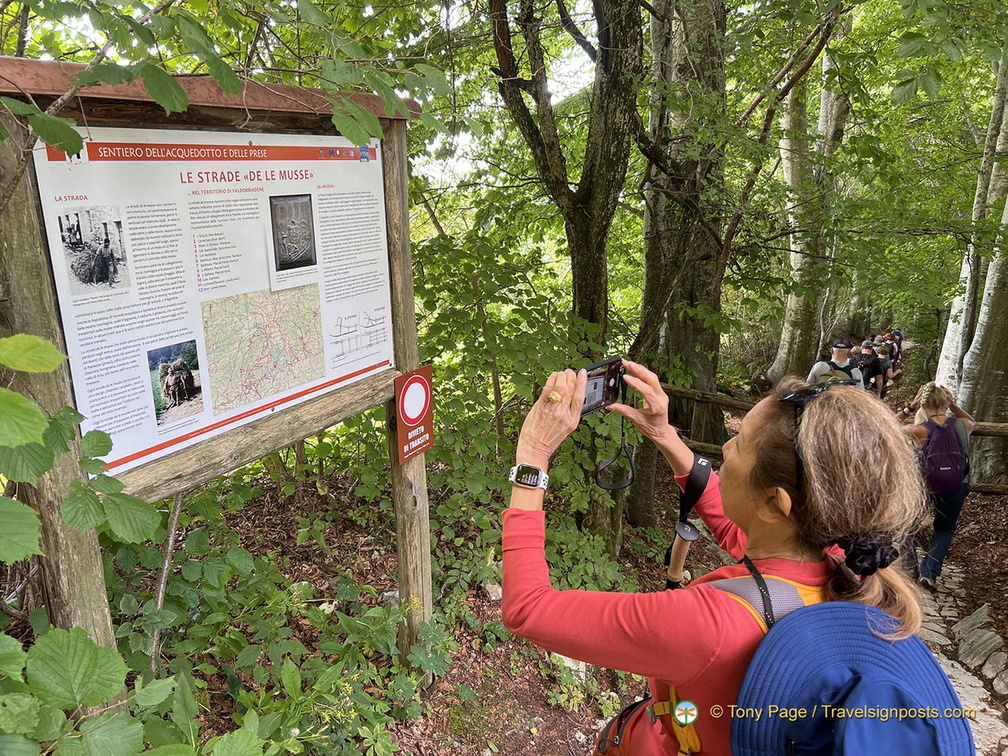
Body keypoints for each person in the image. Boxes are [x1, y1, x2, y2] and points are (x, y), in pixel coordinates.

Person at [503, 360, 926, 754]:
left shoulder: (707, 625)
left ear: (774, 503)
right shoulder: (842, 561)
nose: (726, 446)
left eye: (739, 444)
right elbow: (735, 527)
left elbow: (528, 610)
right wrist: (663, 434)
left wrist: (532, 457)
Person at [897, 383, 975, 592]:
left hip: (925, 485)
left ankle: (909, 572)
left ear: (923, 405)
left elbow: (887, 426)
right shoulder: (962, 426)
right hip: (956, 484)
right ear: (946, 403)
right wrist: (954, 406)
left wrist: (910, 407)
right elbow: (972, 421)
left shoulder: (918, 430)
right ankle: (929, 573)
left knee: (906, 526)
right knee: (944, 529)